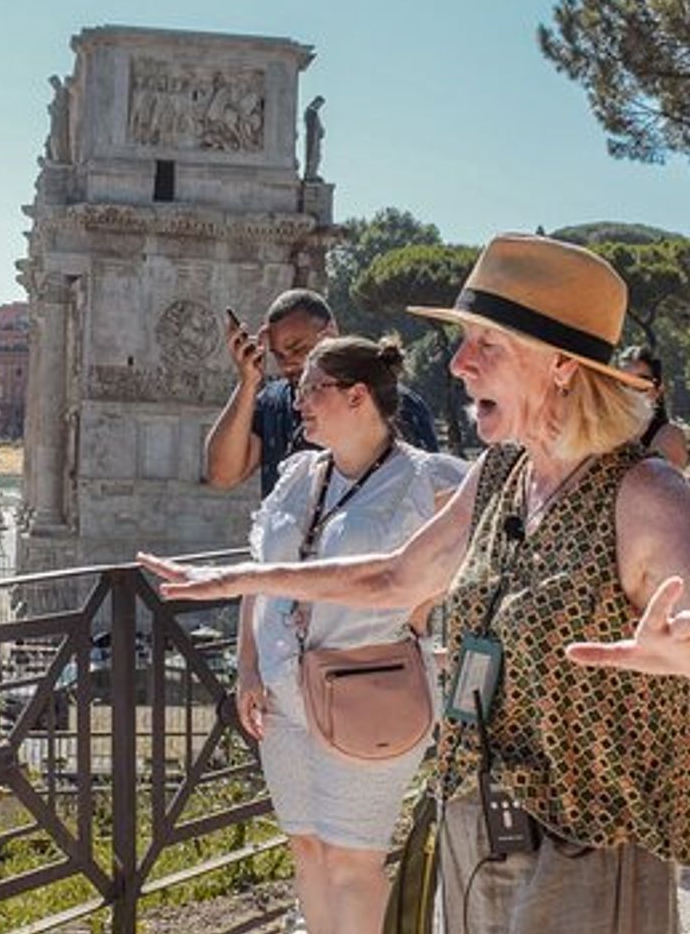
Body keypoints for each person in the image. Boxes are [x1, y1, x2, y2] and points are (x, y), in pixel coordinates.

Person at [143, 235, 690, 934]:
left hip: (586, 842)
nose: (457, 363)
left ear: (561, 367)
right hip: (480, 819)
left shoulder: (643, 492)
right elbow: (397, 575)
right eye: (464, 340)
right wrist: (246, 577)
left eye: (487, 343)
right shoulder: (501, 475)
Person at [232, 335, 466, 934]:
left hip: (371, 690)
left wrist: (422, 607)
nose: (298, 400)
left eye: (312, 389)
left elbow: (485, 544)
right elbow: (258, 575)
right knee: (308, 849)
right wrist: (248, 667)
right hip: (282, 695)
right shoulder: (297, 475)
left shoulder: (427, 479)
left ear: (358, 396)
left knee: (352, 859)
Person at [204, 289, 440, 498]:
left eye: (297, 348)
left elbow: (427, 495)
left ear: (330, 334)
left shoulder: (393, 400)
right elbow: (222, 475)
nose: (288, 365)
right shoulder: (273, 402)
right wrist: (248, 382)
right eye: (278, 355)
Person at [617, 344, 689, 469]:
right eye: (624, 383)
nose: (631, 391)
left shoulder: (669, 436)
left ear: (658, 390)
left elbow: (664, 483)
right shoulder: (604, 434)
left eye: (641, 384)